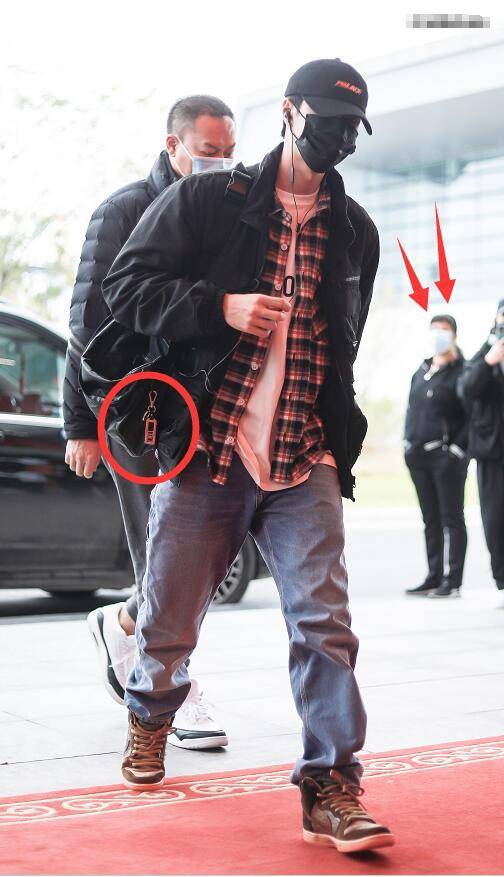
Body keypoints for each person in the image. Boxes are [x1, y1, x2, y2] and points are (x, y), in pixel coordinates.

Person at [102, 58, 394, 855]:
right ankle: (150, 709)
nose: (339, 138)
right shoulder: (208, 201)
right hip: (211, 448)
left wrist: (337, 434)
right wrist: (218, 307)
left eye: (352, 128)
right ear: (291, 113)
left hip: (304, 454)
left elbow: (343, 346)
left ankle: (331, 786)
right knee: (168, 614)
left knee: (325, 626)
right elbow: (126, 287)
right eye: (327, 121)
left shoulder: (356, 231)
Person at [63, 95, 236, 749]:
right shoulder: (124, 210)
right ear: (174, 146)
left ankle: (125, 625)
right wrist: (80, 423)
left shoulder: (229, 214)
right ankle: (174, 691)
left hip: (203, 411)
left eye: (230, 152)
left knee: (203, 559)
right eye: (209, 151)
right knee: (164, 557)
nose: (221, 163)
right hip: (137, 412)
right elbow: (86, 323)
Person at [404, 315, 469, 598]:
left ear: (454, 335)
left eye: (443, 330)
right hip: (418, 456)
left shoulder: (462, 372)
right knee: (430, 519)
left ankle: (452, 581)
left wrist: (456, 451)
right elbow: (411, 409)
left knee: (451, 519)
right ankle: (433, 576)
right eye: (434, 330)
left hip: (446, 459)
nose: (437, 335)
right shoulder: (421, 371)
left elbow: (470, 418)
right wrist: (407, 444)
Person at [459, 299, 504, 596]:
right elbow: (466, 389)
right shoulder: (485, 354)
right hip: (492, 453)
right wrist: (489, 361)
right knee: (495, 519)